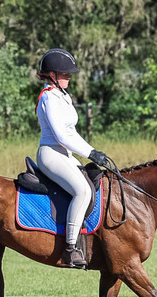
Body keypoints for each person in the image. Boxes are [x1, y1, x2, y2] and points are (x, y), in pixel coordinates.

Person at [35, 48, 110, 268]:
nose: (68, 76)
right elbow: (61, 135)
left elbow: (72, 133)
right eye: (64, 73)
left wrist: (91, 151)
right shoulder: (49, 97)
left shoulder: (63, 96)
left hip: (65, 153)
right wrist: (90, 153)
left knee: (94, 182)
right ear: (51, 75)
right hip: (51, 153)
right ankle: (70, 248)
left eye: (69, 74)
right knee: (82, 190)